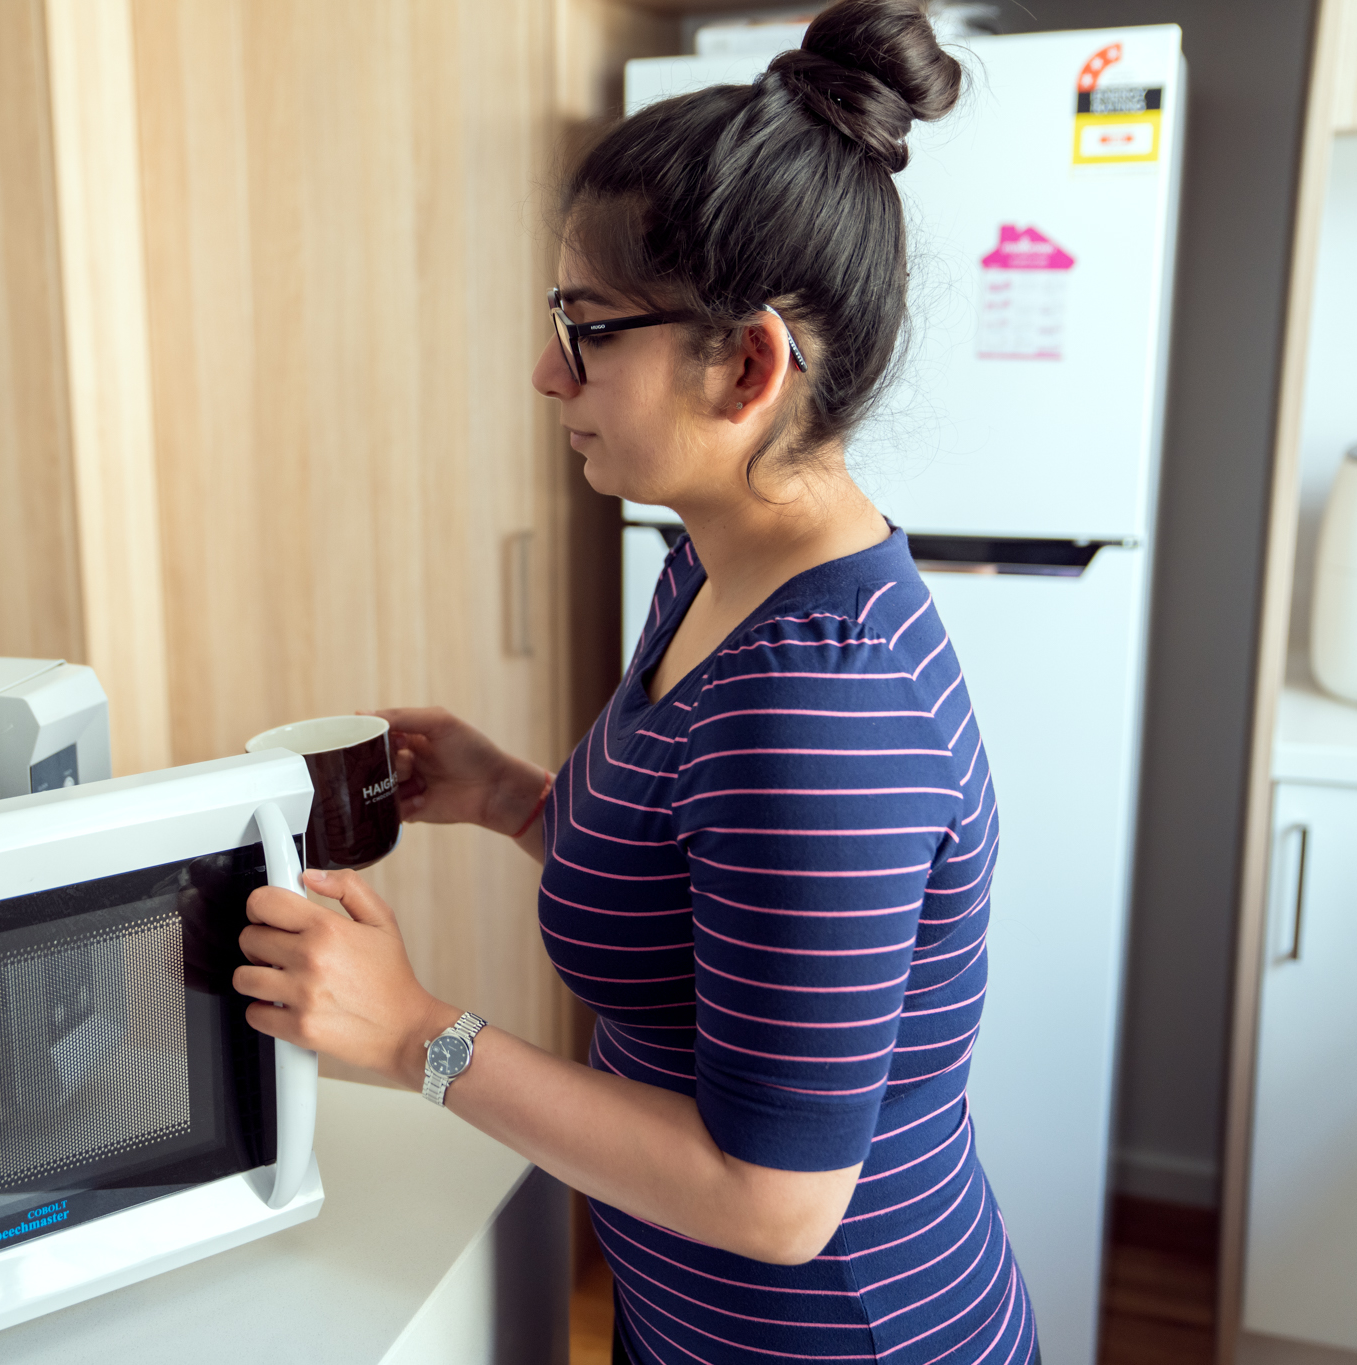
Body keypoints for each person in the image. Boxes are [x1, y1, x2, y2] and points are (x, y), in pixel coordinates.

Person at [229, 2, 1034, 1361]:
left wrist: (419, 1033)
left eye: (590, 327)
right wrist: (512, 797)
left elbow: (774, 1200)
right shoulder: (714, 566)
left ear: (751, 364)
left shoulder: (818, 710)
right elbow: (701, 912)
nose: (549, 374)